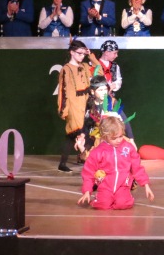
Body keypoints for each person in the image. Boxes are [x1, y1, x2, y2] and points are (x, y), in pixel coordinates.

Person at [78, 117, 154, 210]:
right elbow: (89, 172)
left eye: (121, 136)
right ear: (105, 136)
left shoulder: (128, 148)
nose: (118, 140)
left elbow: (137, 167)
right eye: (114, 138)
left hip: (123, 185)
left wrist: (146, 185)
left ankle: (124, 197)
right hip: (105, 186)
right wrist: (87, 191)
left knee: (122, 204)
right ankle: (104, 199)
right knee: (103, 205)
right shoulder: (98, 151)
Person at [57, 39, 95, 172]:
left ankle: (63, 163)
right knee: (78, 133)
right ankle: (90, 163)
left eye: (83, 54)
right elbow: (63, 91)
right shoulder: (66, 69)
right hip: (73, 105)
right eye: (79, 53)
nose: (82, 56)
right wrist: (63, 109)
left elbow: (99, 72)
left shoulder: (85, 66)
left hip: (86, 104)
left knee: (76, 134)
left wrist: (90, 55)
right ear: (72, 52)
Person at [91, 40, 136, 141]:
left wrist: (114, 85)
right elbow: (91, 80)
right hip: (97, 100)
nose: (116, 55)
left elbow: (119, 80)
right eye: (115, 53)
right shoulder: (94, 65)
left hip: (110, 99)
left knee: (120, 117)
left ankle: (130, 139)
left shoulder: (115, 67)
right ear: (107, 52)